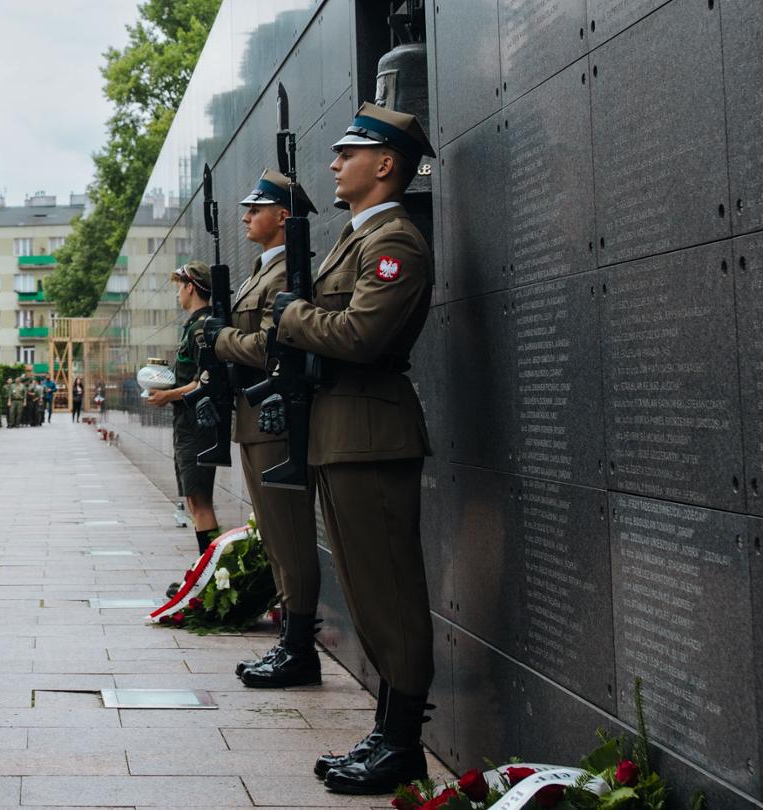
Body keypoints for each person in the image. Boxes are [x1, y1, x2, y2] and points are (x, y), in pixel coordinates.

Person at [267, 103, 438, 795]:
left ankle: (402, 745)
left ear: (386, 164)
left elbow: (365, 335)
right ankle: (388, 733)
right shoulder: (355, 236)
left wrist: (292, 316)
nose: (334, 164)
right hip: (343, 436)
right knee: (368, 596)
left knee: (390, 595)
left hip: (371, 436)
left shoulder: (394, 240)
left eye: (348, 153)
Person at [200, 168, 325, 691]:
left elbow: (271, 347)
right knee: (275, 536)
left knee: (291, 537)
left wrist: (221, 337)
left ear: (284, 216)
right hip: (254, 423)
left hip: (277, 422)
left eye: (258, 208)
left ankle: (299, 650)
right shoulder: (259, 273)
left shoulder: (287, 279)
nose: (247, 216)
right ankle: (288, 639)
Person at [146, 261, 221, 561]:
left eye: (179, 287)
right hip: (187, 424)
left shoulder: (202, 327)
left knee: (200, 501)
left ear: (191, 287)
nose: (177, 293)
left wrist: (168, 395)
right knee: (194, 500)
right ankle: (207, 570)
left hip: (197, 426)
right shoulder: (193, 324)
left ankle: (211, 574)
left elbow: (204, 380)